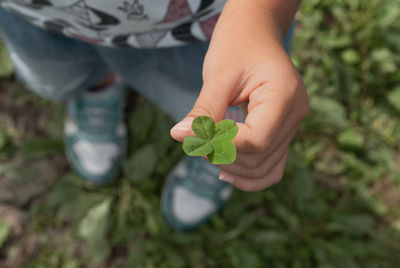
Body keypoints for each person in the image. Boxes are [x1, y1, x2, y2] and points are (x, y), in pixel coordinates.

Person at [0, 0, 308, 230]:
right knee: (62, 71)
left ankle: (219, 149)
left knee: (210, 99)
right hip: (37, 15)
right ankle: (98, 88)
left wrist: (260, 19)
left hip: (199, 26)